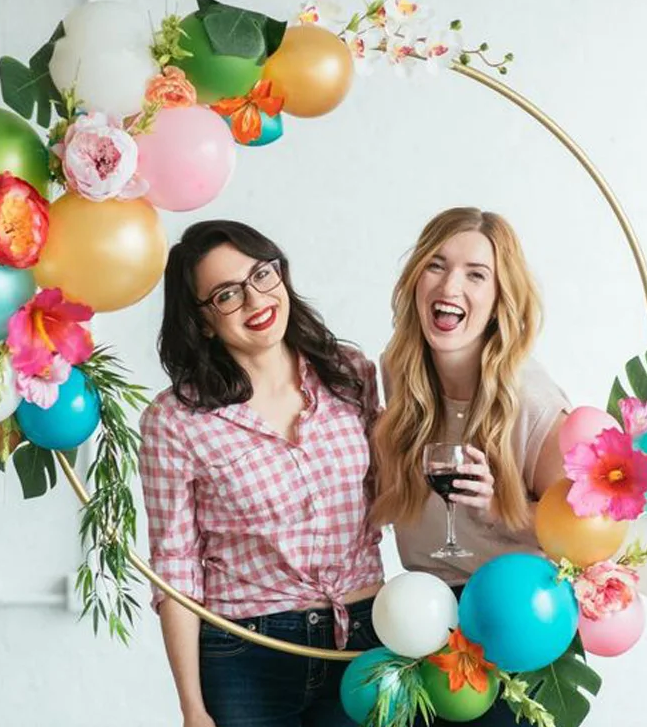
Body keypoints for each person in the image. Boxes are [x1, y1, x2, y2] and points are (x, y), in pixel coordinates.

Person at [139, 220, 384, 727]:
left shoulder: (350, 373)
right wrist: (192, 708)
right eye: (227, 294)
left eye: (261, 275)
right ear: (204, 321)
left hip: (364, 635)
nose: (255, 300)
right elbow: (176, 565)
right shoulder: (175, 420)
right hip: (246, 651)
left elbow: (388, 493)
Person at [371, 207, 571, 726]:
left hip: (514, 623)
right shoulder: (399, 371)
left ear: (501, 298)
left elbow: (574, 542)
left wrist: (497, 508)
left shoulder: (531, 399)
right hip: (425, 620)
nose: (449, 286)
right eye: (436, 265)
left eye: (476, 274)